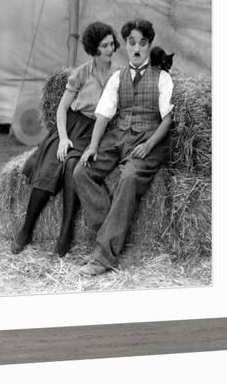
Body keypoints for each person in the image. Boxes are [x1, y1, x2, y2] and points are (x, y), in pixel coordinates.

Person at [11, 21, 122, 257]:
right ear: (94, 48)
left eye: (112, 44)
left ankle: (66, 233)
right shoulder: (81, 73)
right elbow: (62, 109)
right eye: (105, 46)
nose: (111, 49)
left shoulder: (119, 75)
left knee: (73, 165)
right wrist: (62, 138)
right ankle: (27, 228)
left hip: (97, 129)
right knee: (52, 163)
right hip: (73, 124)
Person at [73, 18, 174, 276]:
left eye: (142, 43)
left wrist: (149, 145)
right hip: (119, 136)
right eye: (131, 43)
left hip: (151, 138)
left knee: (128, 178)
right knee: (81, 171)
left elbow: (168, 119)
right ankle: (110, 232)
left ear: (149, 45)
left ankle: (103, 257)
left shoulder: (162, 78)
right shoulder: (117, 78)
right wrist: (92, 146)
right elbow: (104, 115)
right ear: (126, 46)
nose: (137, 48)